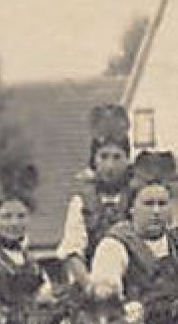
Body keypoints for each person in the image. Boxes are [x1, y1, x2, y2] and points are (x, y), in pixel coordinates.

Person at [89, 151, 178, 301]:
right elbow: (105, 292)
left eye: (162, 204)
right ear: (132, 208)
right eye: (148, 204)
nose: (156, 211)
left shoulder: (175, 245)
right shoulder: (115, 245)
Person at [57, 104, 134, 287]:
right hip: (91, 283)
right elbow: (73, 251)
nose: (110, 166)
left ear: (127, 160)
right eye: (104, 157)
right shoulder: (81, 201)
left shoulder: (136, 197)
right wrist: (92, 287)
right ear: (94, 161)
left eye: (117, 157)